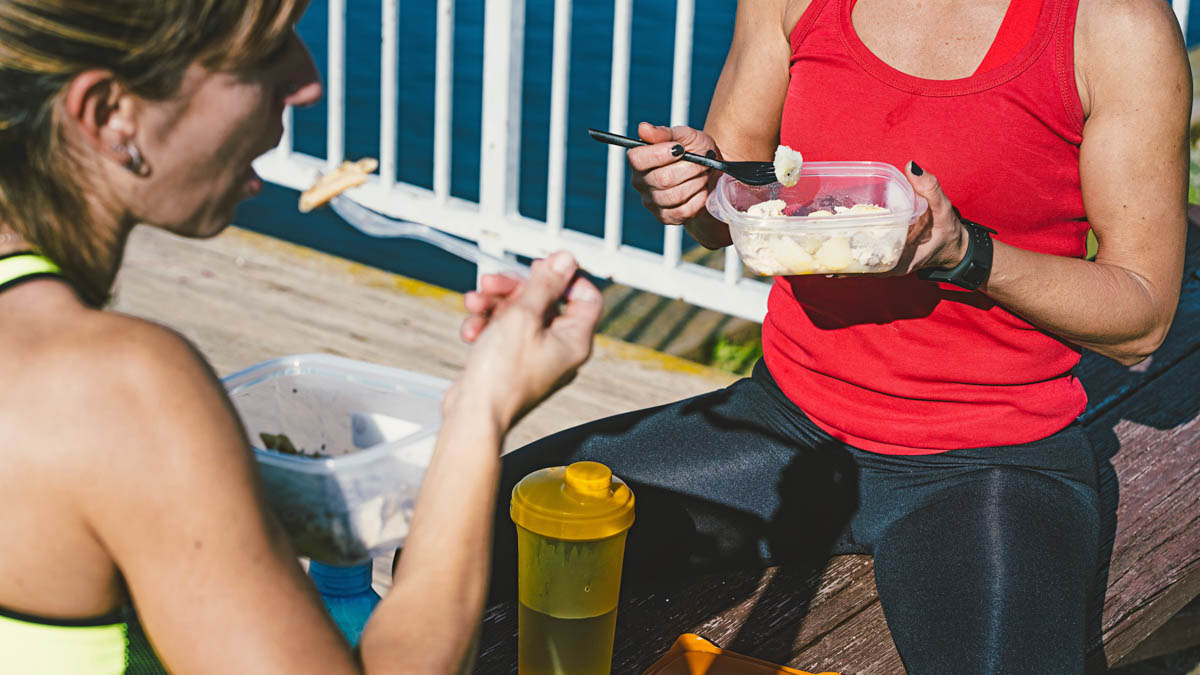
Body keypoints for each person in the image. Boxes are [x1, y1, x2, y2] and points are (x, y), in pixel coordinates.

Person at [466, 0, 1191, 670]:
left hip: (991, 460)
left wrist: (966, 253)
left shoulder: (1112, 24)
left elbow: (1142, 314)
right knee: (464, 540)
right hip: (784, 426)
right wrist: (686, 186)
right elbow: (728, 205)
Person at [0, 1, 603, 672]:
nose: (308, 80)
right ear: (110, 114)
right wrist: (481, 407)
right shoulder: (115, 389)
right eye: (264, 51)